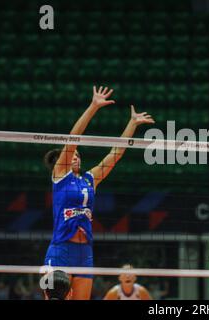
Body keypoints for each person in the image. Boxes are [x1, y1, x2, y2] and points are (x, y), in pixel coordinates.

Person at [43, 86, 155, 300]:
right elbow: (73, 138)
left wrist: (131, 124)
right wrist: (93, 106)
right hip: (60, 250)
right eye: (71, 154)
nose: (75, 156)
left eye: (77, 154)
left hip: (84, 251)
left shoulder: (89, 179)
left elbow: (115, 154)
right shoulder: (60, 175)